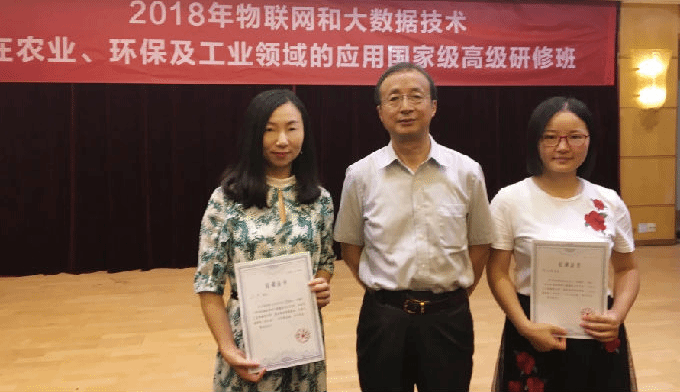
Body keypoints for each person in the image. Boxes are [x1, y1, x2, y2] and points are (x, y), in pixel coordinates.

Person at [334, 62, 495, 392]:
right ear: (380, 112)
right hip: (384, 320)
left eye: (415, 97)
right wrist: (381, 291)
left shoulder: (466, 171)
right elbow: (350, 245)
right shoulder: (360, 175)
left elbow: (480, 243)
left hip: (448, 319)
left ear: (433, 106)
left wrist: (455, 295)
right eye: (394, 98)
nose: (405, 107)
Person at [487, 96, 639, 392]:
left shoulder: (608, 201)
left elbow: (627, 269)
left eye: (575, 137)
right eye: (550, 137)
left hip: (597, 327)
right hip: (533, 328)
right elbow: (498, 272)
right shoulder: (510, 200)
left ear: (589, 141)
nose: (562, 147)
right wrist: (524, 325)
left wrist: (617, 315)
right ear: (535, 142)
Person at [194, 89, 335, 392]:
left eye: (291, 128)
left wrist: (321, 287)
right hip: (247, 341)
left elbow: (325, 262)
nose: (282, 140)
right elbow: (208, 283)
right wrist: (228, 348)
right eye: (269, 130)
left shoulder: (320, 200)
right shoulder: (226, 199)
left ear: (304, 134)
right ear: (253, 135)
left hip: (302, 340)